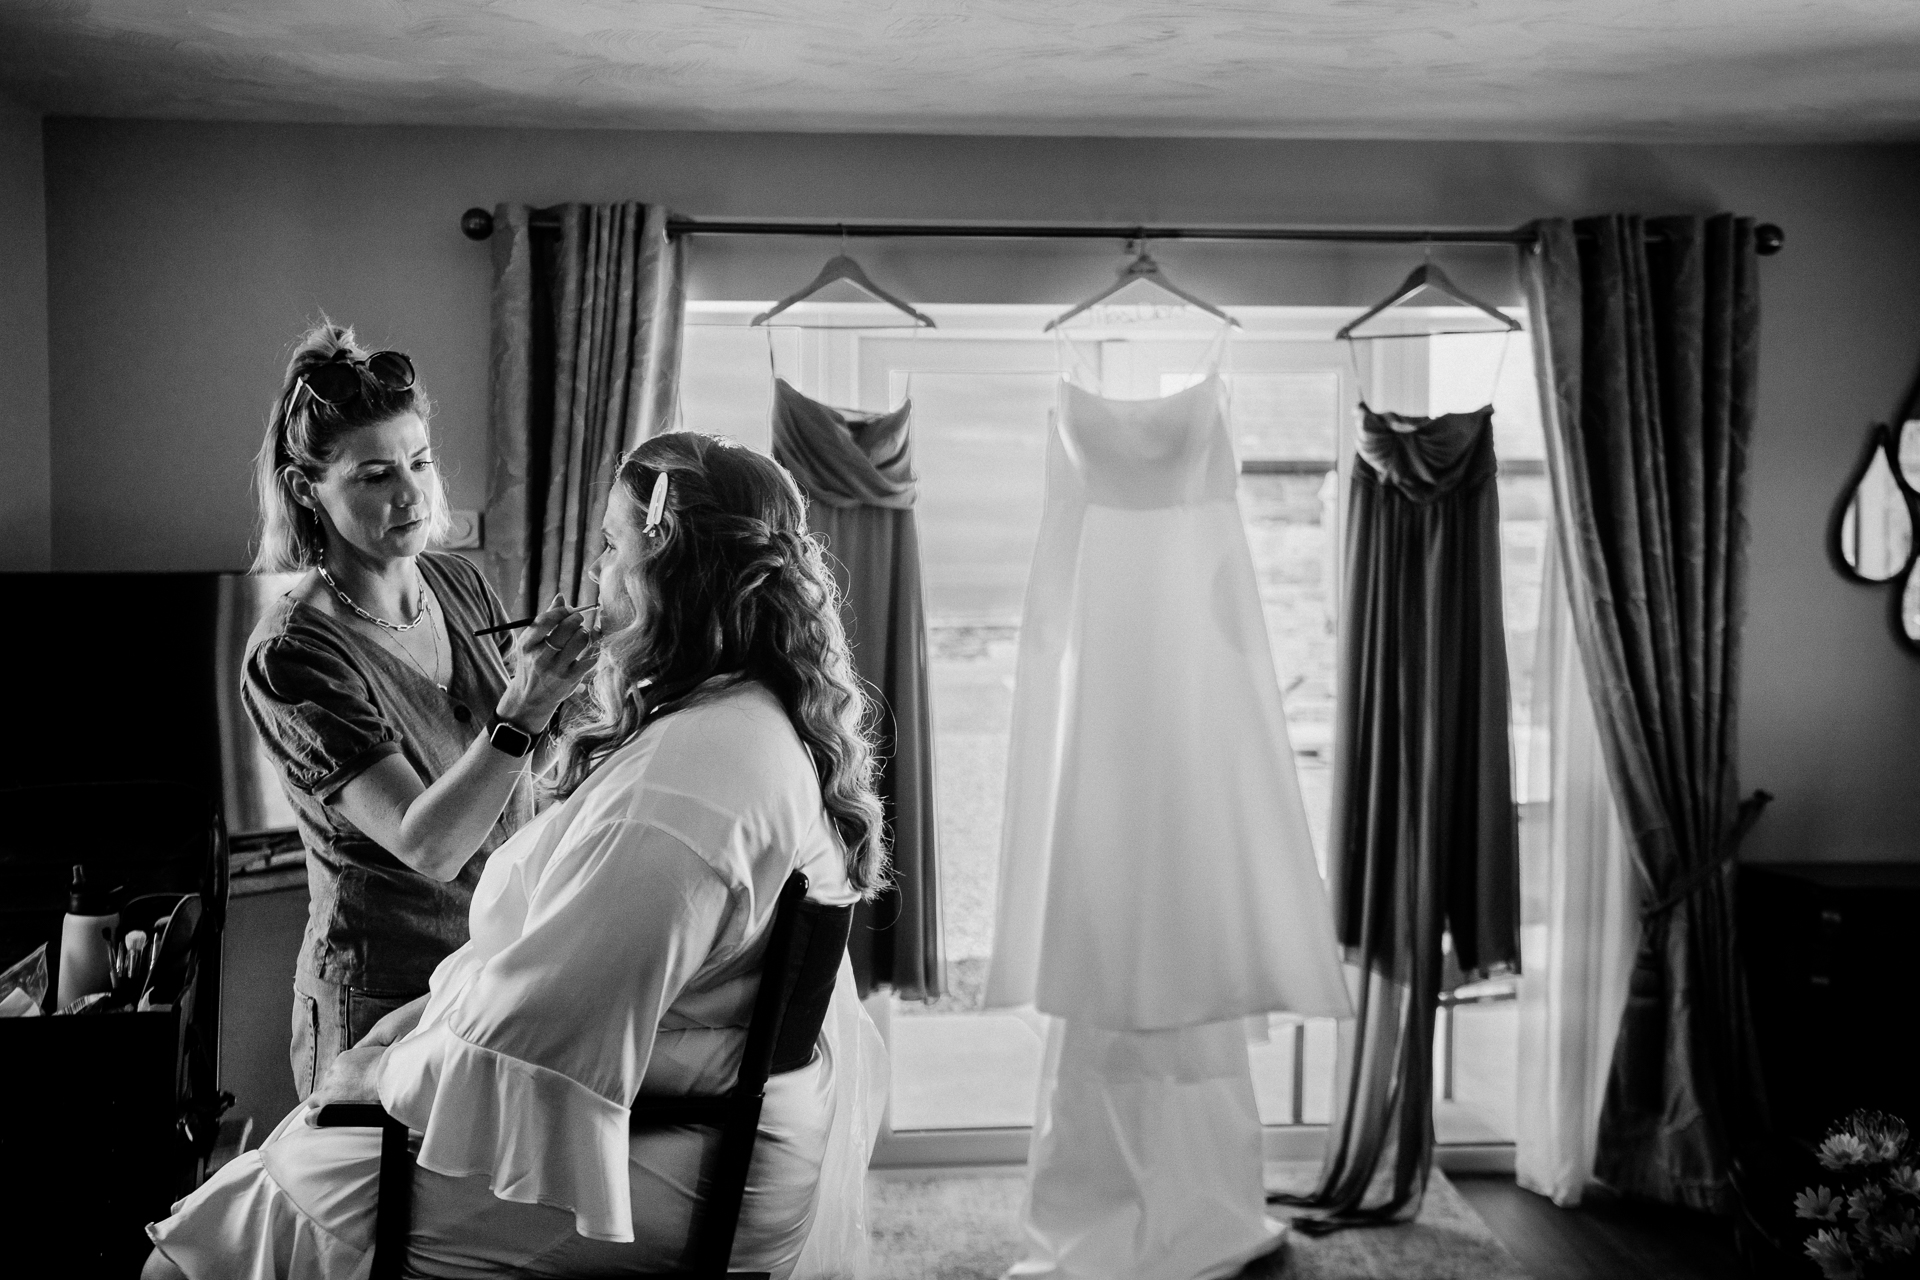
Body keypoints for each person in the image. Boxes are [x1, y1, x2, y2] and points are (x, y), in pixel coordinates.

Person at [145, 431, 892, 1280]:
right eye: (377, 473)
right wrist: (415, 1018)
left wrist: (388, 1068)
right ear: (308, 492)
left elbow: (540, 1028)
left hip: (659, 1150)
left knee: (202, 1247)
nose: (598, 572)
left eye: (613, 546)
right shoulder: (735, 727)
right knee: (271, 1172)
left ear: (673, 573)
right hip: (590, 1064)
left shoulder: (684, 786)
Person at [243, 323, 593, 1098]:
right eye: (373, 475)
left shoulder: (459, 585)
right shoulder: (294, 655)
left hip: (491, 967)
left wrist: (569, 701)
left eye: (420, 461)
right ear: (307, 491)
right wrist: (524, 711)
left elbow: (517, 777)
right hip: (381, 992)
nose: (411, 494)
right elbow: (427, 844)